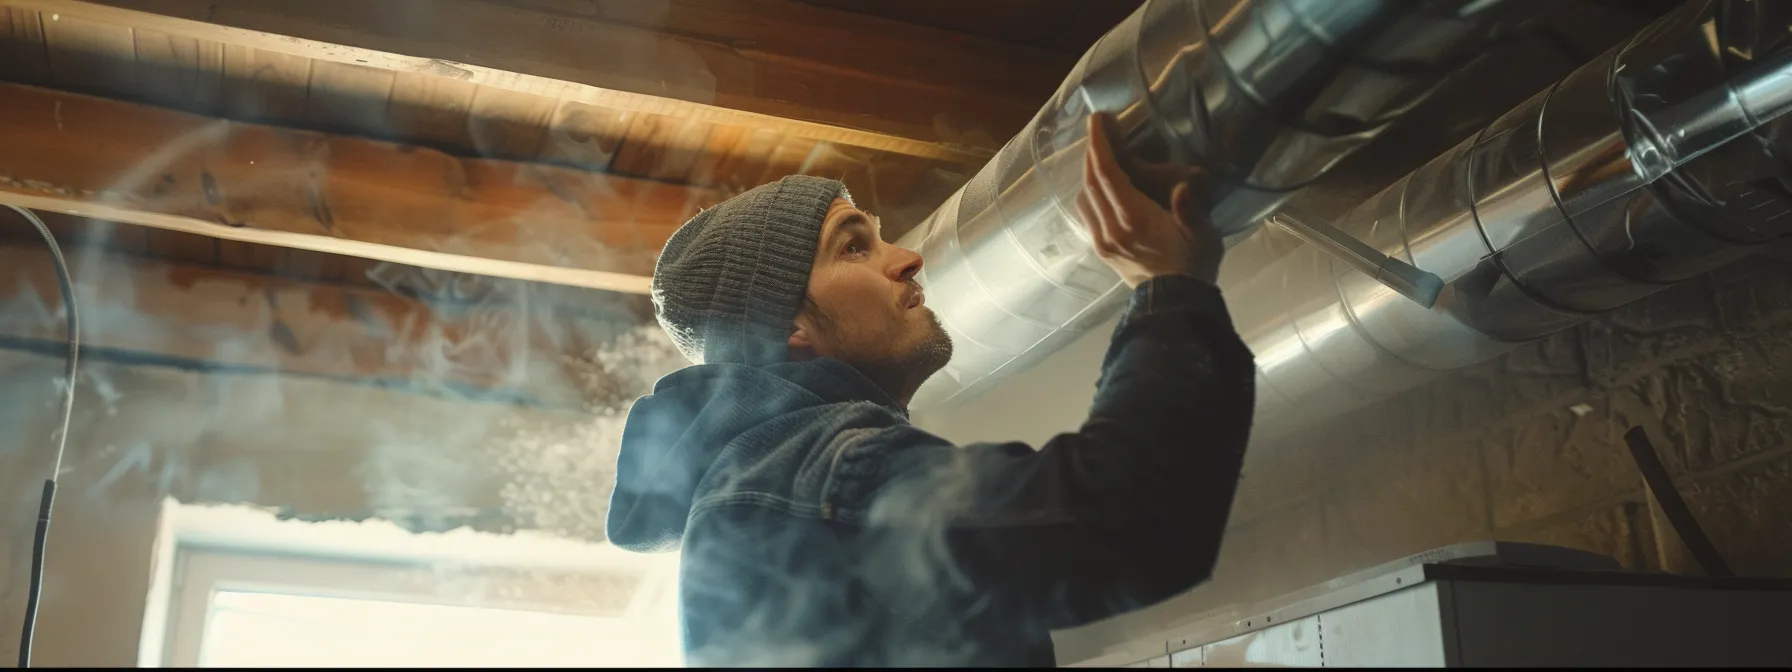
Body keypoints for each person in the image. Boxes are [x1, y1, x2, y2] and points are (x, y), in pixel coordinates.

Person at [605, 112, 1256, 667]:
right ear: (787, 325)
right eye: (854, 248)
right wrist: (1168, 287)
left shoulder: (762, 485)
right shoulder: (830, 472)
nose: (907, 257)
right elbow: (1120, 518)